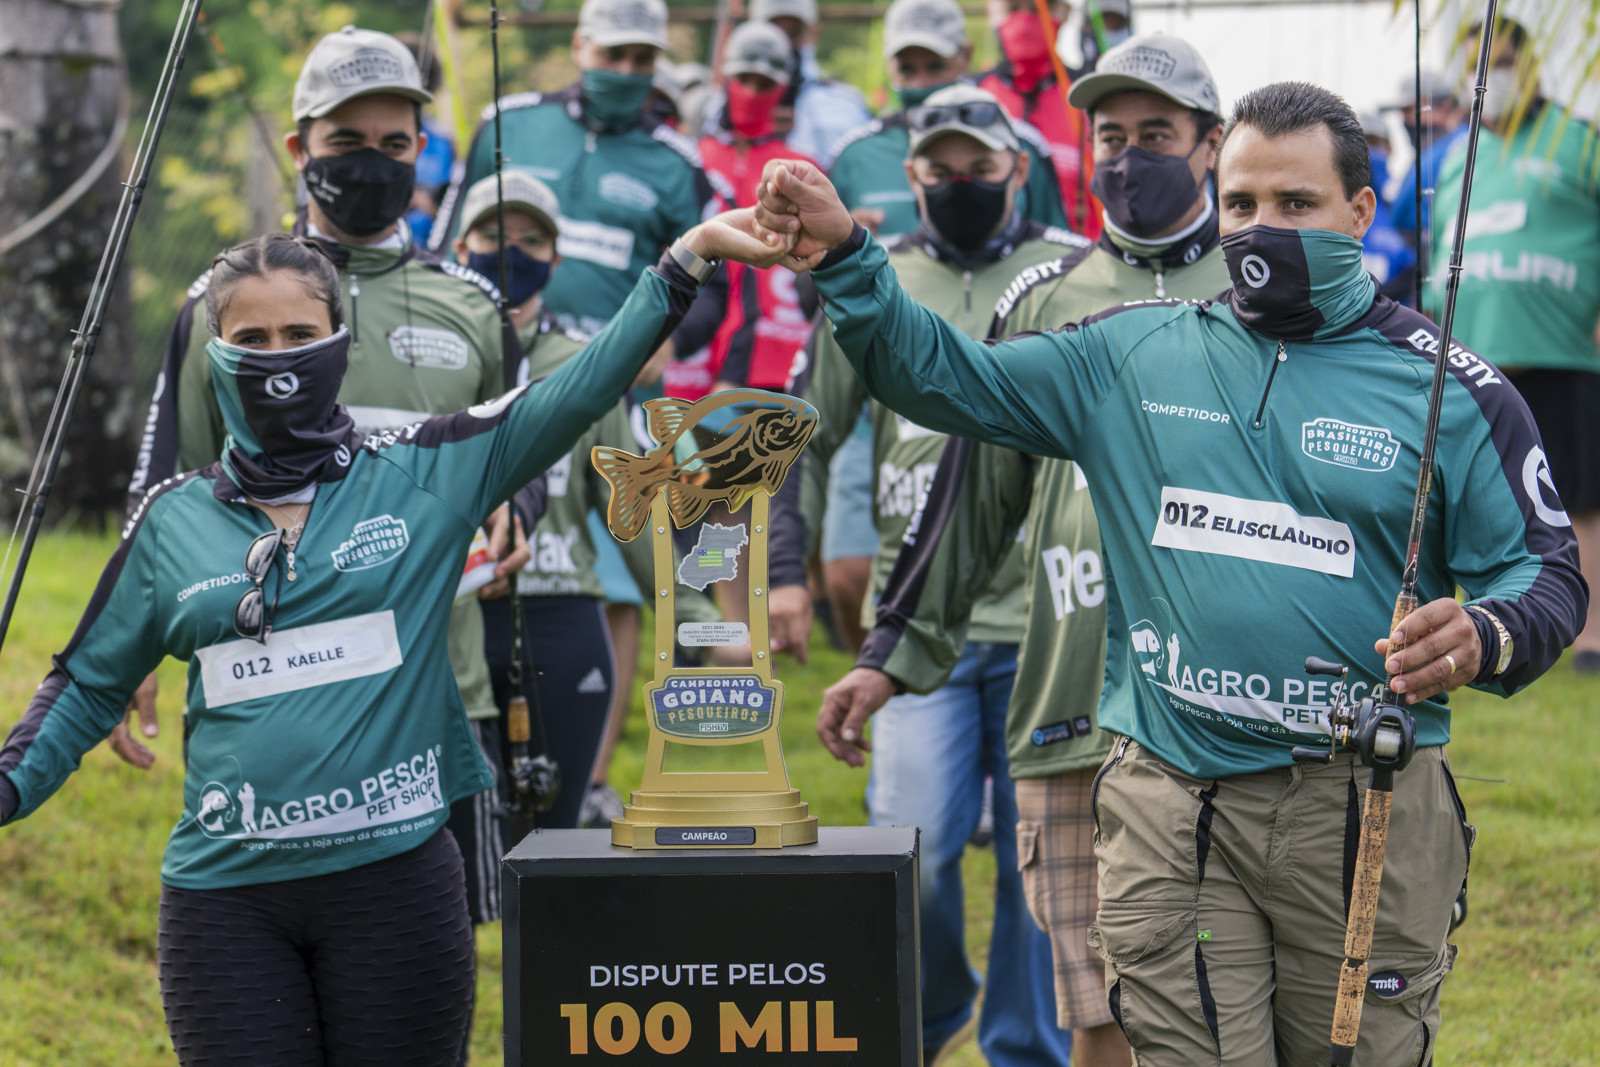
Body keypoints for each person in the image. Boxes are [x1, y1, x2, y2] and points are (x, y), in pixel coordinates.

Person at [753, 79, 1585, 1065]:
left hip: (1362, 807)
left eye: (1295, 204)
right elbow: (942, 377)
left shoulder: (1457, 389)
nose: (1261, 228)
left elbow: (1546, 578)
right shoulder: (1133, 351)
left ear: (1361, 212)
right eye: (1240, 204)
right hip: (1169, 797)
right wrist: (852, 260)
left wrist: (1482, 632)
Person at [0, 205, 779, 1063]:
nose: (277, 357)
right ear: (213, 356)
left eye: (300, 331)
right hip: (225, 901)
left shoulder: (423, 468)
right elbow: (85, 683)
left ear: (341, 338)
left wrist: (688, 256)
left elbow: (580, 386)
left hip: (395, 889)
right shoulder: (170, 518)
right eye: (249, 338)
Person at [815, 34, 1228, 1067]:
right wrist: (890, 651)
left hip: (1232, 711)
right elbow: (969, 504)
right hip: (1072, 704)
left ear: (1213, 145)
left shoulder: (1260, 290)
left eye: (1159, 136)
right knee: (1096, 1016)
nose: (1131, 159)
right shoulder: (1039, 301)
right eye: (1111, 137)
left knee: (1228, 1008)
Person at [119, 27, 529, 934]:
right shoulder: (226, 303)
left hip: (434, 689)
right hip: (259, 694)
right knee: (258, 959)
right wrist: (129, 647)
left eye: (394, 143)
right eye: (346, 143)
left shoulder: (475, 304)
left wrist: (515, 508)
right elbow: (164, 485)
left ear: (422, 150)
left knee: (419, 981)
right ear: (301, 147)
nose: (373, 164)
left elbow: (522, 451)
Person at [770, 85, 1084, 1067]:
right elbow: (799, 435)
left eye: (978, 166)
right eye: (939, 168)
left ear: (1018, 169)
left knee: (1044, 860)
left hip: (1049, 621)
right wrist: (788, 569)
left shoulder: (1068, 273)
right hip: (915, 621)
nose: (959, 183)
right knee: (912, 847)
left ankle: (1024, 1042)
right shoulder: (873, 277)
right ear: (910, 176)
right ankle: (932, 1001)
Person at [1429, 17, 1600, 672]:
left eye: (1503, 64)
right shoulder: (1458, 159)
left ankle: (1590, 640)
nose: (1492, 81)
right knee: (1480, 502)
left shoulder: (1577, 140)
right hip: (1477, 365)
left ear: (1529, 69)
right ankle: (1491, 621)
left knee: (1581, 497)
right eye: (1481, 69)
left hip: (1560, 355)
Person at [828, 0, 1068, 243]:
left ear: (966, 56)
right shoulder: (856, 155)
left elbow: (1055, 250)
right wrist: (847, 245)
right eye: (907, 70)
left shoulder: (1017, 143)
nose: (921, 83)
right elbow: (817, 267)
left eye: (935, 67)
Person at [979, 0, 1099, 238]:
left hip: (1077, 260)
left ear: (1065, 11)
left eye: (1037, 8)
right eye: (1013, 8)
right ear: (991, 11)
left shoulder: (1088, 97)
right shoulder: (975, 96)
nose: (1025, 21)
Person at [745, 0, 872, 169]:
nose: (783, 45)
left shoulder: (848, 106)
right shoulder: (728, 110)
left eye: (794, 33)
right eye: (772, 33)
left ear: (814, 32)